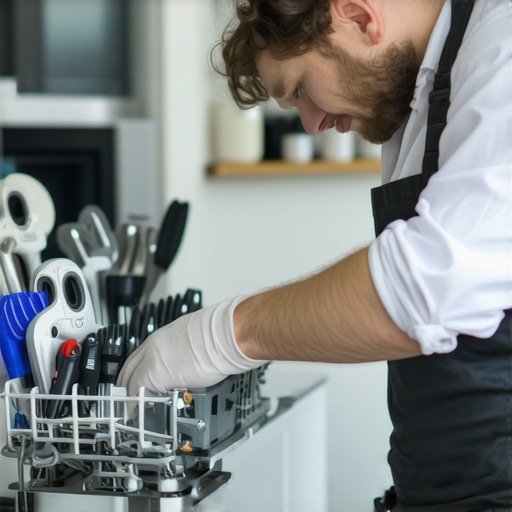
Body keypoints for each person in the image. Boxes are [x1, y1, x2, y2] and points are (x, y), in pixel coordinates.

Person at [117, 0, 512, 509]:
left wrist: (219, 337)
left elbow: (426, 291)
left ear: (357, 14)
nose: (309, 123)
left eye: (300, 88)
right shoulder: (425, 95)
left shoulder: (501, 40)